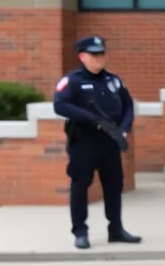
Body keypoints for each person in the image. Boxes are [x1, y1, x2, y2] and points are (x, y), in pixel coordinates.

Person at [53, 35, 141, 250]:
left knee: (114, 186)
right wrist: (93, 119)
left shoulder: (113, 80)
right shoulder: (73, 81)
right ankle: (80, 231)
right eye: (94, 54)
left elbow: (128, 105)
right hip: (84, 142)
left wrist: (125, 128)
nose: (100, 58)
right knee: (81, 186)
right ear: (82, 57)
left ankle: (116, 229)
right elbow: (60, 105)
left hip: (110, 141)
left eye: (102, 54)